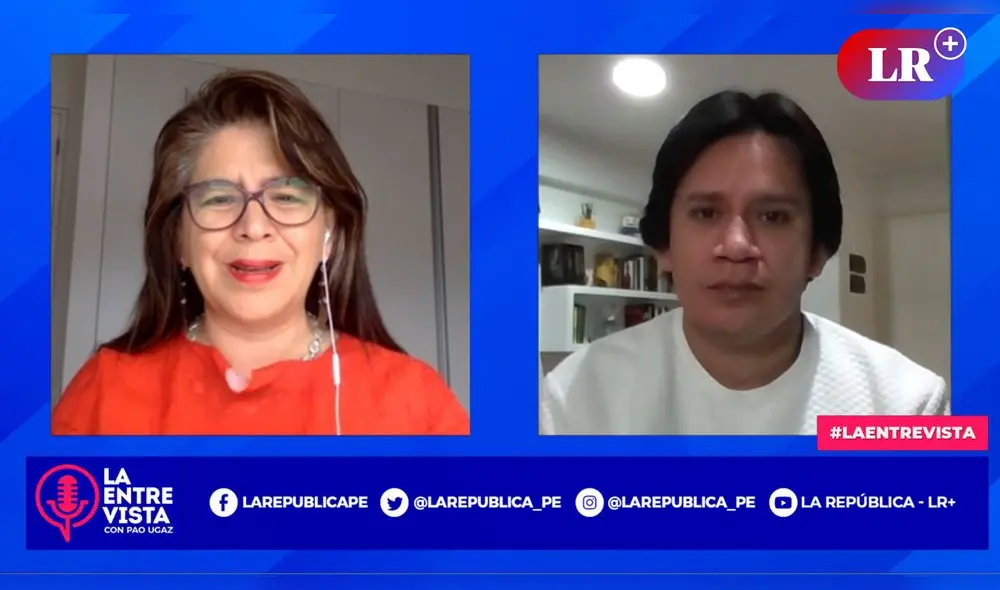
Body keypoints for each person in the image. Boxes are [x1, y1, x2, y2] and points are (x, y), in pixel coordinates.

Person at [54, 69, 469, 436]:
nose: (253, 227)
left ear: (330, 235)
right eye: (219, 198)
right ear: (178, 240)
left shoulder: (419, 404)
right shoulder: (103, 393)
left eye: (286, 196)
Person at [539, 90, 949, 436]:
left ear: (817, 251)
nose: (736, 246)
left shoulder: (906, 405)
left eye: (772, 216)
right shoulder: (578, 395)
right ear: (664, 245)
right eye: (705, 213)